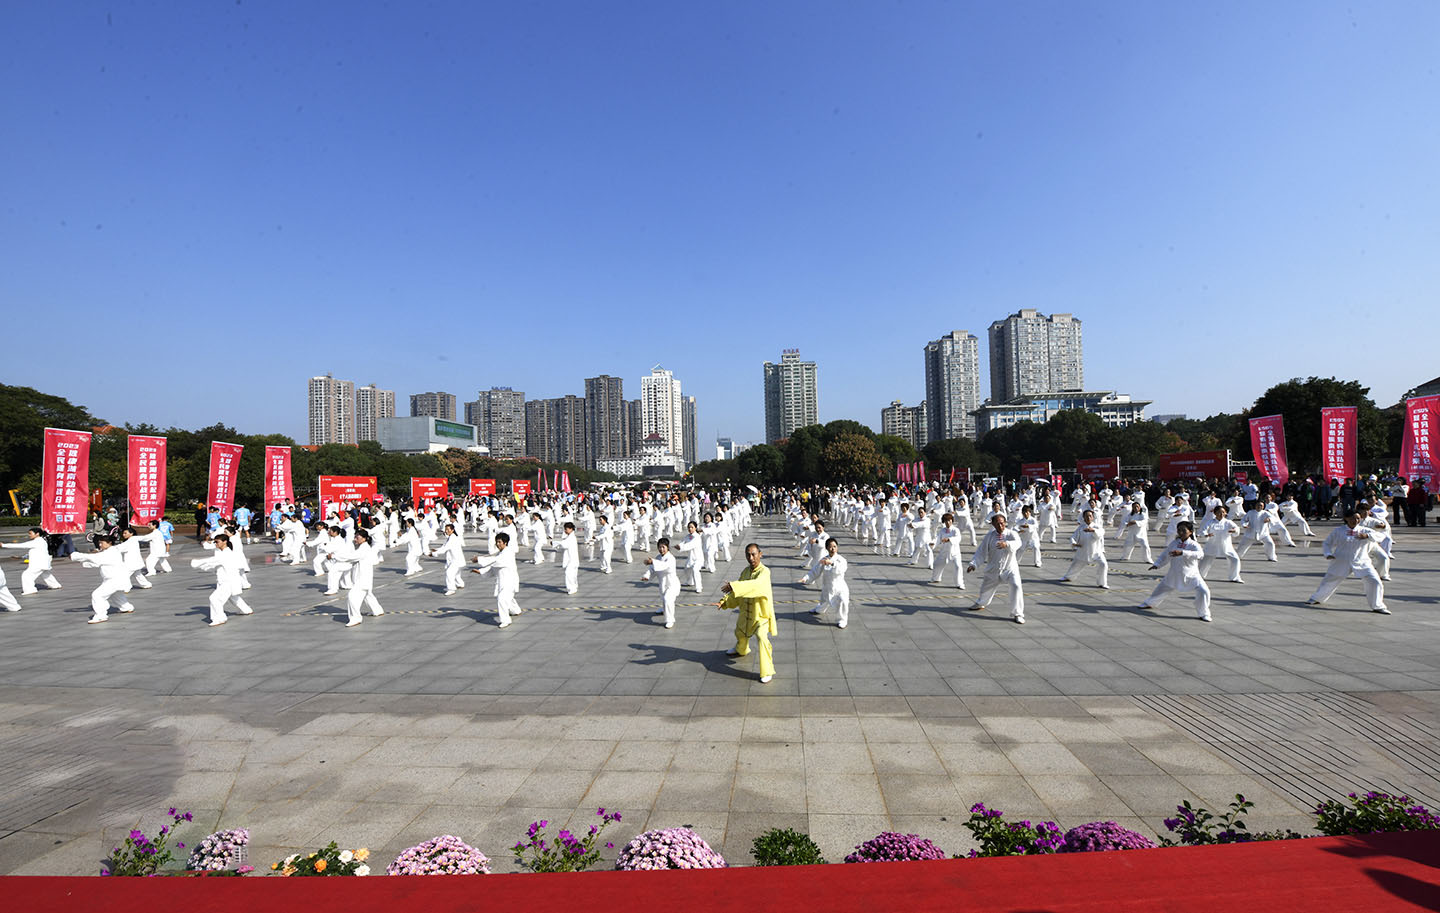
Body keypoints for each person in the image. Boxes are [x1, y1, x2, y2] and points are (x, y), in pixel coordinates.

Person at [717, 543, 777, 682]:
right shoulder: (745, 572)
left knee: (762, 637)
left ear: (760, 554)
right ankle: (741, 649)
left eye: (753, 554)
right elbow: (737, 593)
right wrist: (723, 602)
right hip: (746, 612)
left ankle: (767, 671)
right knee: (741, 633)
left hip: (760, 615)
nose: (751, 558)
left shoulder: (765, 572)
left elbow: (755, 585)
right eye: (748, 555)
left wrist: (734, 585)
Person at [1307, 511, 1388, 613]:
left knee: (1374, 581)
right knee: (1330, 579)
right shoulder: (1338, 531)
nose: (1356, 521)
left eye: (1358, 518)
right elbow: (1327, 543)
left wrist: (1367, 536)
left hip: (1361, 561)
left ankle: (1378, 606)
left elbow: (1381, 536)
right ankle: (1317, 598)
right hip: (1341, 560)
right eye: (1353, 518)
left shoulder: (1365, 530)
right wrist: (1328, 554)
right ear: (1346, 518)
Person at [1140, 520, 1211, 621]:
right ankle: (1149, 603)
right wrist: (1157, 564)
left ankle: (1204, 613)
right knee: (1161, 589)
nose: (1181, 532)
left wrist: (1183, 553)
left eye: (1183, 530)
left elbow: (1200, 555)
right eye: (1179, 530)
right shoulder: (1174, 543)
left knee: (1204, 591)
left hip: (1192, 574)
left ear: (1190, 532)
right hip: (1174, 573)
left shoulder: (1194, 544)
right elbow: (1165, 555)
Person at [966, 513, 1025, 624]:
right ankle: (981, 603)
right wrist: (973, 564)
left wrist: (1007, 544)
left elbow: (1018, 543)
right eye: (997, 524)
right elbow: (981, 552)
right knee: (985, 589)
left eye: (1002, 523)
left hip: (1010, 568)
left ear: (1005, 523)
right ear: (993, 524)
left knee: (1016, 585)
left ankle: (1018, 613)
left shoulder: (1011, 534)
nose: (1000, 526)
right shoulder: (989, 536)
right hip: (993, 568)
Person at [190, 533, 254, 626]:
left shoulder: (226, 554)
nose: (215, 544)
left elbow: (212, 561)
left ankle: (220, 618)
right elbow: (214, 564)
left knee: (215, 599)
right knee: (233, 597)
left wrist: (197, 563)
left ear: (225, 542)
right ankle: (246, 610)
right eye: (214, 542)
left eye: (217, 542)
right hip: (227, 580)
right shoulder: (223, 552)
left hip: (228, 581)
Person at [71, 535, 135, 623]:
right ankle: (126, 607)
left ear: (109, 543)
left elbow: (94, 558)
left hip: (114, 580)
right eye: (99, 543)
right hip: (117, 579)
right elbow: (97, 562)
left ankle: (101, 615)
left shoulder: (109, 553)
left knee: (97, 595)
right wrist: (84, 563)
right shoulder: (112, 551)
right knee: (116, 594)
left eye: (102, 543)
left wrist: (75, 556)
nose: (100, 545)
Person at [336, 528, 385, 627]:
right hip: (363, 578)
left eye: (357, 537)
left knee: (352, 597)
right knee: (368, 595)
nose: (355, 539)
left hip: (362, 579)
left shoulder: (364, 549)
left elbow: (350, 557)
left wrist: (335, 556)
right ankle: (377, 610)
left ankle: (355, 618)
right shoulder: (363, 548)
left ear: (364, 538)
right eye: (355, 537)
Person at [471, 531, 521, 627]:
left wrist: (479, 559)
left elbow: (496, 561)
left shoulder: (508, 553)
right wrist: (481, 571)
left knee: (502, 599)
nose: (497, 544)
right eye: (497, 542)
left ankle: (506, 620)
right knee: (508, 598)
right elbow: (494, 567)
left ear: (505, 543)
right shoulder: (500, 553)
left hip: (510, 581)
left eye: (499, 542)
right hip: (502, 580)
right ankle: (516, 610)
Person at [3, 528, 62, 595]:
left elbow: (21, 545)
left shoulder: (37, 542)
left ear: (37, 534)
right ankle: (55, 585)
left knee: (26, 575)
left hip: (38, 564)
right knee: (46, 574)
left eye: (30, 533)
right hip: (43, 563)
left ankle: (30, 590)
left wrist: (4, 545)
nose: (29, 535)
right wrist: (21, 557)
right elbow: (33, 552)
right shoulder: (41, 541)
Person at [1061, 509, 1109, 588]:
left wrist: (1093, 530)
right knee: (1075, 565)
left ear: (1093, 517)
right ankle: (1068, 577)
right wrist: (1074, 543)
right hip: (1083, 550)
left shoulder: (1097, 526)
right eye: (1086, 516)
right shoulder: (1081, 527)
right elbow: (1073, 537)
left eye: (1090, 516)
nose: (1088, 518)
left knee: (1103, 564)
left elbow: (1101, 533)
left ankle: (1102, 583)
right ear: (1083, 518)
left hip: (1096, 551)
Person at [811, 537, 851, 628]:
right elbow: (815, 571)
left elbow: (842, 569)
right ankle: (819, 610)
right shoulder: (824, 559)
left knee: (842, 601)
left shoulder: (841, 559)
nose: (832, 549)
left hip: (840, 586)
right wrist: (806, 578)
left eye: (834, 546)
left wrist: (832, 563)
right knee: (824, 601)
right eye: (830, 547)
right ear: (826, 548)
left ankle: (842, 620)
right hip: (828, 586)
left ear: (837, 547)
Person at [1197, 505, 1243, 583]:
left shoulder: (1228, 522)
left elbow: (1236, 528)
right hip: (1212, 545)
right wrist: (1206, 535)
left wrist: (1234, 531)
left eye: (1223, 512)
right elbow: (1203, 530)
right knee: (1205, 562)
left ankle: (1234, 577)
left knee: (1235, 560)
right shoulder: (1210, 522)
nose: (1221, 514)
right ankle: (1199, 576)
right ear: (1215, 513)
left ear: (1225, 513)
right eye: (1218, 512)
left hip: (1226, 545)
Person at [643, 537, 680, 628]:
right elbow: (652, 569)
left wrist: (653, 562)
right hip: (663, 583)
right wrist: (647, 576)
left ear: (668, 547)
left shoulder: (671, 558)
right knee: (664, 599)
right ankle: (664, 610)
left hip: (672, 584)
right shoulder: (658, 557)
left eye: (663, 547)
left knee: (668, 599)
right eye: (659, 547)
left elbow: (664, 566)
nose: (661, 549)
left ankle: (670, 620)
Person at [931, 513, 967, 587]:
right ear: (944, 521)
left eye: (949, 520)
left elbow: (958, 538)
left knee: (958, 567)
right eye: (946, 520)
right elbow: (938, 538)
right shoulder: (942, 530)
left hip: (954, 552)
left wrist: (949, 539)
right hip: (944, 551)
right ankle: (936, 578)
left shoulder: (955, 530)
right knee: (937, 564)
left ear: (952, 521)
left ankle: (960, 583)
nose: (948, 522)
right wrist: (933, 543)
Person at [434, 523, 466, 596]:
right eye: (446, 529)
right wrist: (435, 550)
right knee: (457, 574)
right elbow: (444, 546)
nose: (446, 531)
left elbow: (445, 548)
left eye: (448, 529)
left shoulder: (452, 538)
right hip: (456, 559)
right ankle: (460, 584)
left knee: (450, 573)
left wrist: (434, 553)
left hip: (456, 560)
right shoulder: (451, 537)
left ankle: (451, 589)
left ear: (452, 530)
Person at [558, 521, 580, 595]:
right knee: (573, 574)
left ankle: (571, 588)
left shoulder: (571, 537)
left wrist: (556, 543)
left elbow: (564, 545)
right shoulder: (570, 536)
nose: (565, 530)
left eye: (566, 529)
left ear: (571, 529)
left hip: (572, 559)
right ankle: (574, 586)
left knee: (568, 573)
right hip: (573, 558)